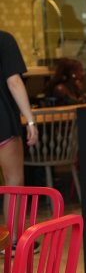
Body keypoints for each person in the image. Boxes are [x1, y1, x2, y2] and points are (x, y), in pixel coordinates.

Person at [0, 30, 38, 190]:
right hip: (3, 121)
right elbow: (14, 82)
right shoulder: (4, 40)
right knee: (14, 184)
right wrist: (30, 121)